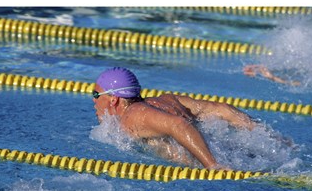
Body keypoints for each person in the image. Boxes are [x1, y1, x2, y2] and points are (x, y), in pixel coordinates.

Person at [92, 67, 257, 170]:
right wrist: (270, 137)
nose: (93, 100)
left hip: (226, 167)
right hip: (237, 154)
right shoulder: (166, 100)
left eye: (96, 95)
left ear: (114, 99)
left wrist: (213, 166)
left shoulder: (132, 116)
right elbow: (222, 109)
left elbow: (178, 124)